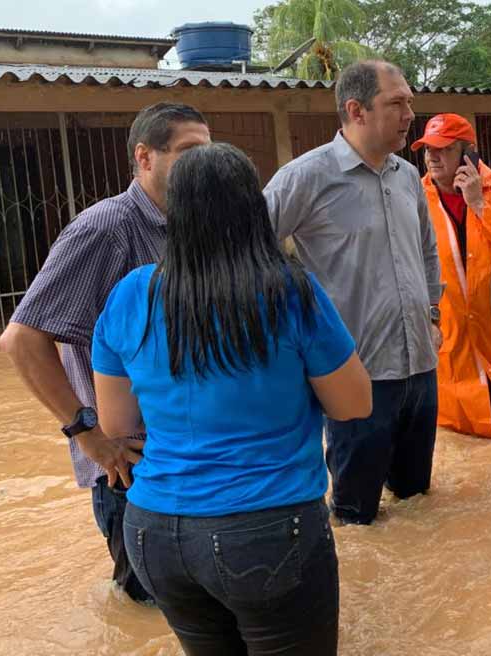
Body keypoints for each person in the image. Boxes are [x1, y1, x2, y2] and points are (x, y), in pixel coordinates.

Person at [91, 143, 371, 654]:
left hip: (154, 533)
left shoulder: (130, 293)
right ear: (253, 208)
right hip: (268, 527)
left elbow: (117, 426)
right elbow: (354, 405)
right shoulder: (290, 292)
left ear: (175, 211)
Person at [0, 102, 210, 604]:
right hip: (129, 469)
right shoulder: (105, 230)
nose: (202, 164)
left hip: (181, 459)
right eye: (188, 152)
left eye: (209, 152)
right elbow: (22, 340)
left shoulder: (186, 228)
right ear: (144, 157)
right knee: (150, 607)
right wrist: (87, 435)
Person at [264, 60, 443, 525]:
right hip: (354, 377)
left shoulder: (407, 176)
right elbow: (249, 254)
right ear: (356, 110)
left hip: (420, 368)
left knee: (417, 504)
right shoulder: (304, 177)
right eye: (397, 104)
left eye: (410, 103)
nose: (410, 115)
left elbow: (427, 251)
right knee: (354, 518)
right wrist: (297, 330)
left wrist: (434, 316)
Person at [412, 113, 491, 439]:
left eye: (444, 149)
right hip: (448, 344)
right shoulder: (414, 202)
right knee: (456, 439)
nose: (432, 157)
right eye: (427, 150)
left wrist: (480, 205)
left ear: (469, 154)